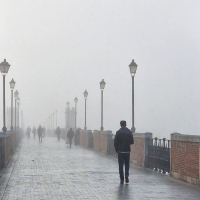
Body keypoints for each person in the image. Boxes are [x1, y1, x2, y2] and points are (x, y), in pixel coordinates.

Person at [114, 120, 134, 184]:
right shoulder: (129, 132)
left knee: (120, 165)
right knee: (127, 164)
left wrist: (116, 149)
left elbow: (115, 142)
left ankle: (121, 179)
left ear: (120, 125)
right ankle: (127, 175)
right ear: (126, 124)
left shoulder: (118, 132)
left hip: (120, 151)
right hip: (127, 150)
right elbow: (132, 142)